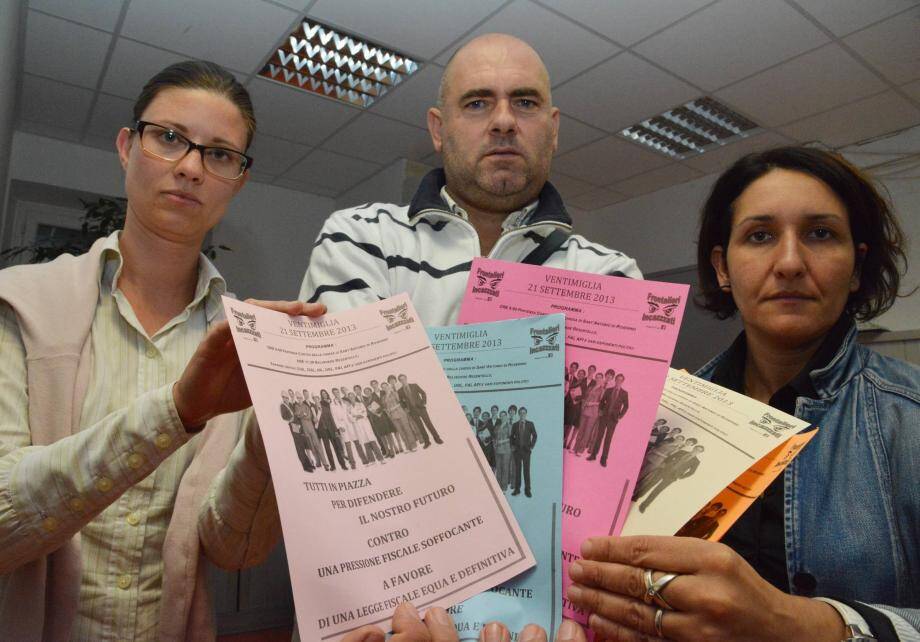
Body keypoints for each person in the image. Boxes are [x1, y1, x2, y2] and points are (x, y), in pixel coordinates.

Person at [0, 60, 331, 640]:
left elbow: (234, 551)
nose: (190, 168)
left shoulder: (242, 346)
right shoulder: (18, 306)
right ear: (127, 147)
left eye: (220, 154)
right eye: (170, 138)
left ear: (238, 180)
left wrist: (266, 437)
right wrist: (177, 411)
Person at [566, 147, 919, 641]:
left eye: (820, 233)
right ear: (723, 268)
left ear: (856, 267)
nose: (790, 262)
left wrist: (808, 627)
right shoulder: (661, 412)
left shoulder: (910, 420)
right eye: (760, 236)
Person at [299, 33, 640, 326]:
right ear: (439, 129)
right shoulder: (360, 238)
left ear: (553, 130)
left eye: (524, 102)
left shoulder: (609, 277)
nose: (504, 121)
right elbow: (359, 396)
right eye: (477, 103)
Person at [588, 369, 628, 466]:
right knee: (599, 437)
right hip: (604, 417)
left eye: (620, 380)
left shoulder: (624, 393)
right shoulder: (609, 390)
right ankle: (593, 455)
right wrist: (601, 411)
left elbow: (626, 406)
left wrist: (620, 416)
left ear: (623, 381)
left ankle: (604, 459)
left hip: (613, 419)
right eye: (617, 379)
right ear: (615, 380)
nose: (618, 381)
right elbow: (602, 401)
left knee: (608, 439)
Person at [398, 374, 443, 447]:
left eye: (404, 379)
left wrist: (423, 402)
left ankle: (437, 438)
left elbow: (423, 393)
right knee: (420, 427)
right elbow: (401, 401)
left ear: (406, 378)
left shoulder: (414, 385)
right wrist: (406, 409)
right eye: (401, 380)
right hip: (412, 411)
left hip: (421, 408)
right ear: (400, 381)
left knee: (429, 424)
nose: (403, 381)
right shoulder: (400, 391)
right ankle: (427, 442)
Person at [511, 407, 537, 498]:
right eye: (521, 413)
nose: (522, 414)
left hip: (526, 451)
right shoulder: (515, 425)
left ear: (526, 414)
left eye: (524, 413)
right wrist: (513, 447)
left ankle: (527, 490)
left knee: (526, 471)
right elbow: (511, 437)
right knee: (517, 471)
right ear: (519, 414)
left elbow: (535, 435)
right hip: (517, 451)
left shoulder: (530, 424)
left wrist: (531, 446)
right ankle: (517, 489)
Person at [492, 410, 513, 490]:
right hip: (497, 450)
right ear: (499, 417)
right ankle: (498, 487)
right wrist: (494, 443)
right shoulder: (497, 426)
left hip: (506, 450)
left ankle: (504, 488)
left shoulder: (510, 426)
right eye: (501, 416)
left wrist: (502, 441)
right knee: (498, 468)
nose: (502, 417)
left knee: (505, 468)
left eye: (504, 415)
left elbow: (512, 438)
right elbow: (494, 437)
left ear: (506, 416)